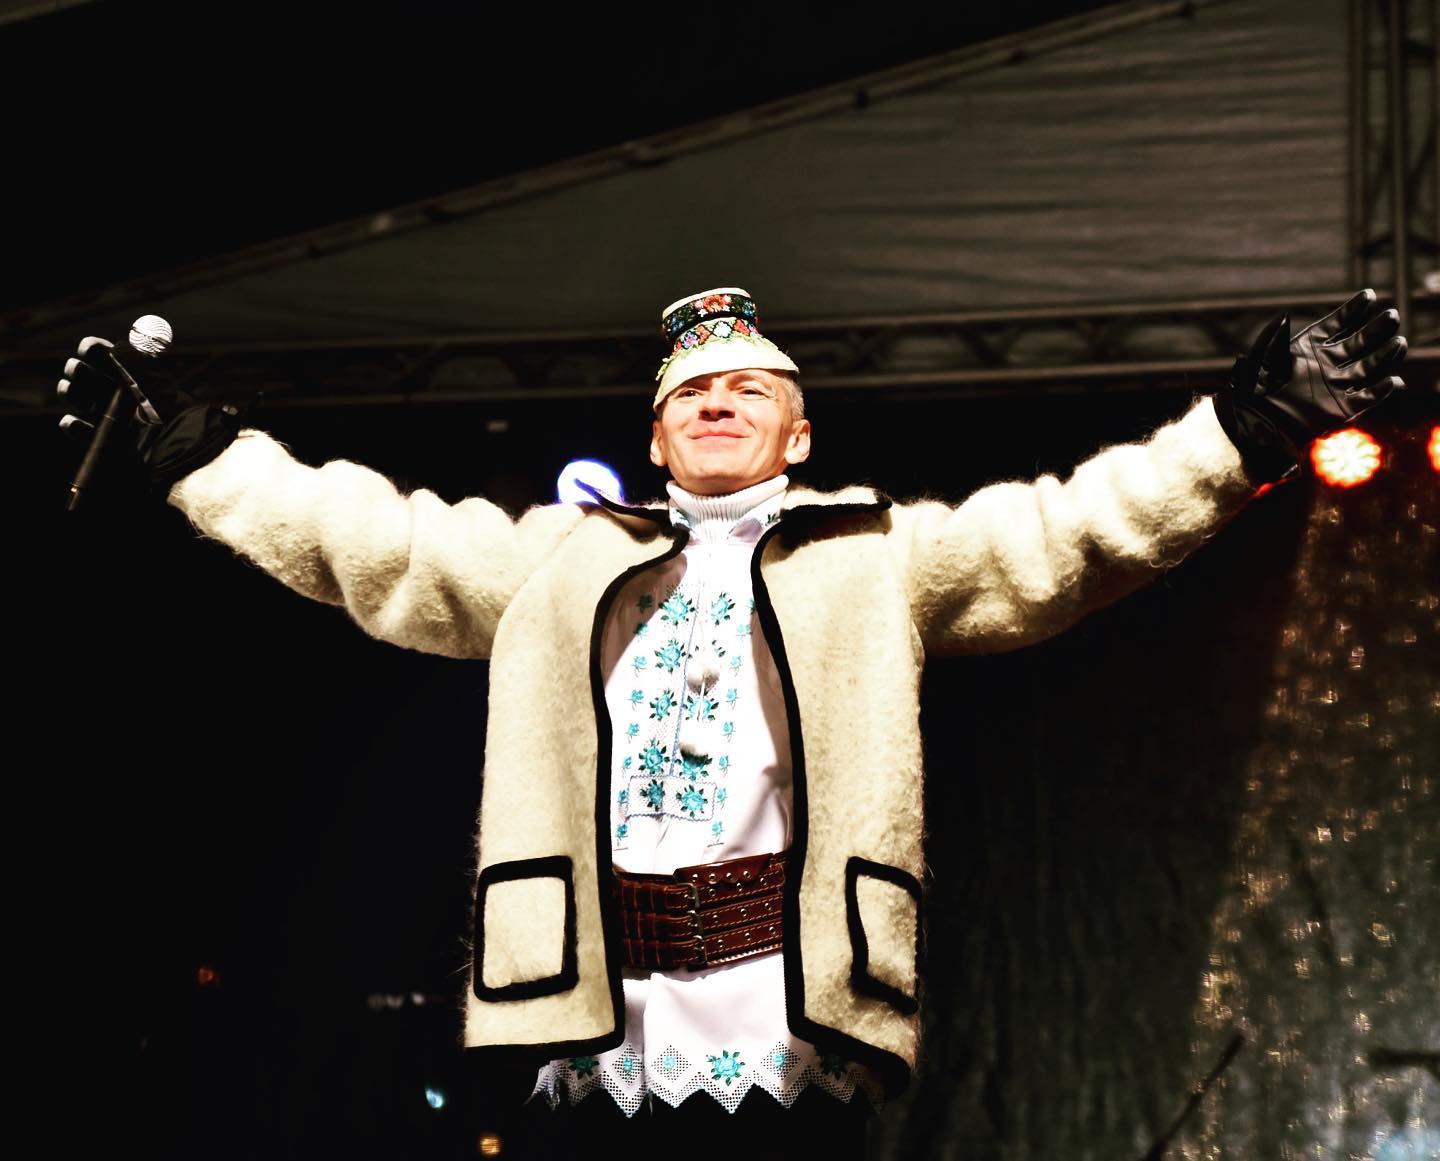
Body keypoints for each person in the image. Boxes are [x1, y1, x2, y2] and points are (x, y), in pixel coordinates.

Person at [57, 285, 1408, 1156]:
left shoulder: (871, 555)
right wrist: (200, 457)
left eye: (750, 390)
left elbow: (1064, 538)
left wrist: (1241, 428)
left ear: (798, 436)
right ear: (656, 437)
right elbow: (373, 541)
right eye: (691, 393)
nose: (717, 400)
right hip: (596, 1021)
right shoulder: (559, 559)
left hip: (788, 1020)